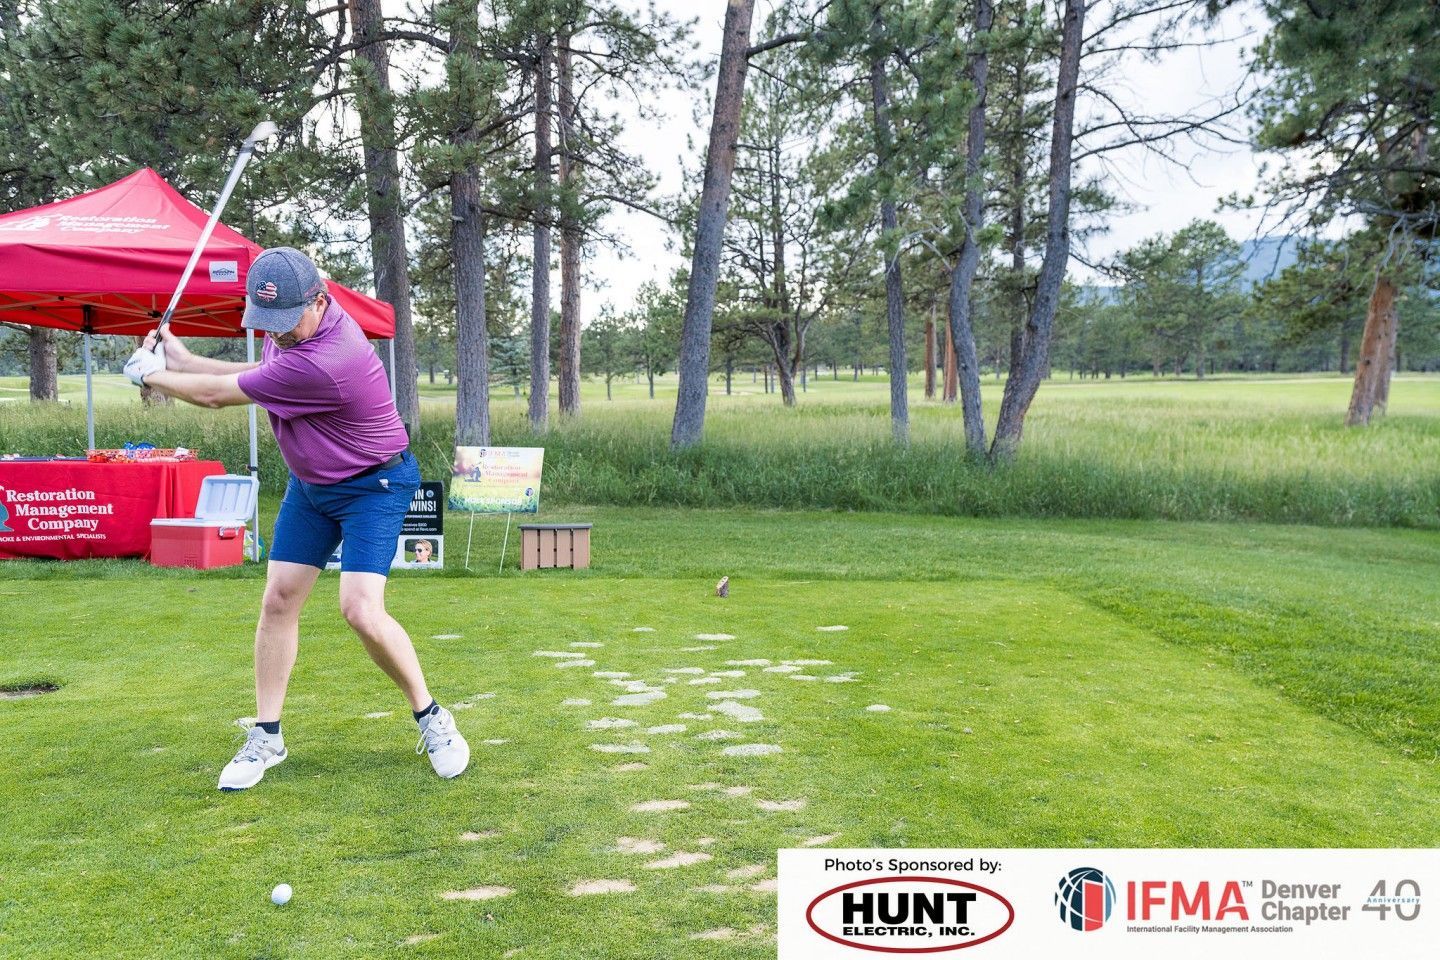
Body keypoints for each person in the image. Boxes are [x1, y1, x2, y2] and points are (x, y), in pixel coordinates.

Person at [123, 247, 469, 791]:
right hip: (312, 487)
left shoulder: (332, 358)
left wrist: (153, 378)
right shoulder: (291, 332)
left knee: (359, 609)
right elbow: (254, 373)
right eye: (268, 324)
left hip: (373, 486)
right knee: (278, 599)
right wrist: (179, 360)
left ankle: (432, 718)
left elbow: (219, 398)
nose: (277, 334)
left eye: (285, 322)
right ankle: (268, 735)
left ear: (321, 300)